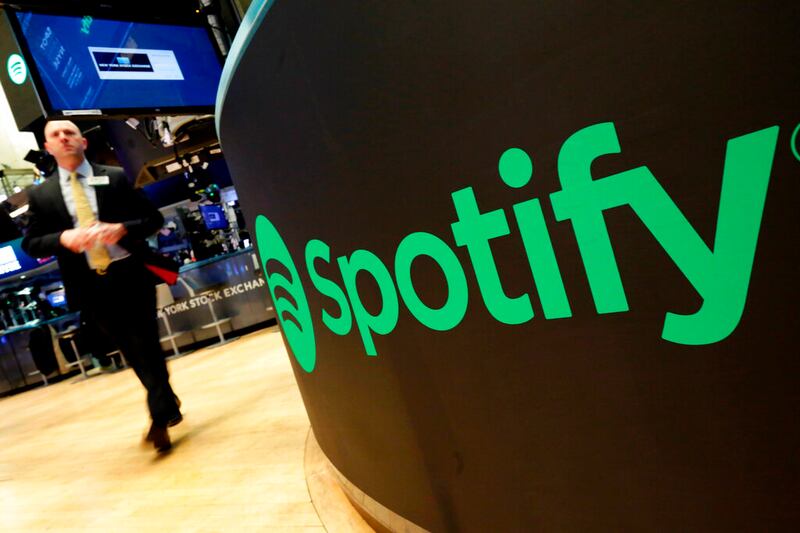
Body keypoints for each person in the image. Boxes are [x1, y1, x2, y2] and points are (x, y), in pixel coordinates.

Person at [22, 120, 182, 453]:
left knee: (147, 343)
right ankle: (168, 402)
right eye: (55, 135)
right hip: (89, 284)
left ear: (82, 141)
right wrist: (63, 237)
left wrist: (122, 228)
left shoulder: (115, 177)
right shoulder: (41, 195)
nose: (64, 138)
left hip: (130, 274)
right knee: (132, 349)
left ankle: (158, 418)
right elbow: (32, 243)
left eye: (69, 133)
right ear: (48, 147)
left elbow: (153, 220)